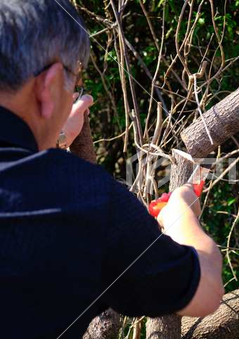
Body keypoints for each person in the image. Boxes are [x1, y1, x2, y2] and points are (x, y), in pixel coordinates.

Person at [0, 0, 223, 338]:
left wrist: (52, 134)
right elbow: (204, 290)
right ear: (48, 86)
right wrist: (183, 214)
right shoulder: (86, 201)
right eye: (73, 79)